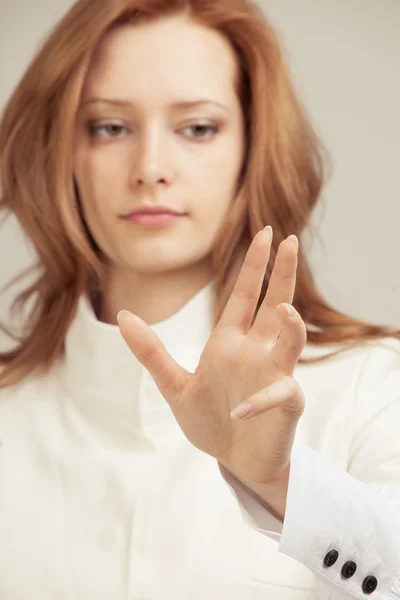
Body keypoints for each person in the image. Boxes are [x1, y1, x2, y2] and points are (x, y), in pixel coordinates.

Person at [0, 0, 399, 598]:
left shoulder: (371, 384)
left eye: (198, 128)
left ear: (251, 149)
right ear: (60, 149)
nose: (151, 167)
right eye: (110, 126)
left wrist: (280, 484)